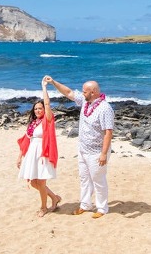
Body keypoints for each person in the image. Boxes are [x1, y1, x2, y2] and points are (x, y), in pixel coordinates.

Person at [44, 75, 113, 219]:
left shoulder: (105, 108)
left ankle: (102, 208)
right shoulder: (85, 101)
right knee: (84, 179)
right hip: (83, 149)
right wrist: (53, 82)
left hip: (97, 152)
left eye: (84, 91)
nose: (82, 93)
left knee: (98, 180)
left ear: (93, 92)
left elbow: (108, 132)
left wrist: (103, 154)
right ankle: (85, 205)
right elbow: (68, 92)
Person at [17, 79, 61, 217]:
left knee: (41, 182)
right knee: (34, 183)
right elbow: (26, 140)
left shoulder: (47, 120)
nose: (37, 110)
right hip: (32, 153)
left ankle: (43, 207)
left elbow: (47, 103)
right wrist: (19, 157)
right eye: (35, 109)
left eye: (40, 108)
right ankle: (54, 198)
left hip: (43, 153)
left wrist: (44, 87)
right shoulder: (33, 123)